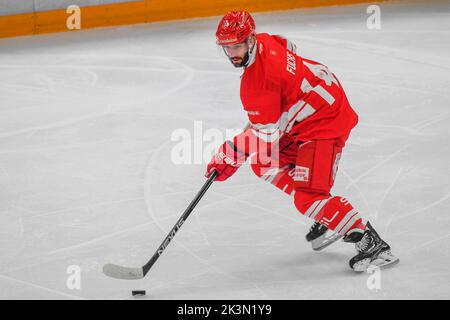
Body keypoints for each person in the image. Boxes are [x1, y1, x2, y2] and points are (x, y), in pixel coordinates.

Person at [205, 11, 399, 272]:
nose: (232, 54)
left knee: (307, 199)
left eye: (237, 45)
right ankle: (326, 211)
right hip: (320, 98)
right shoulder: (265, 41)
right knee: (264, 161)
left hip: (324, 123)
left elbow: (265, 135)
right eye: (226, 48)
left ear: (249, 40)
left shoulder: (255, 85)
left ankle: (371, 244)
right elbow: (289, 47)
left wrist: (229, 154)